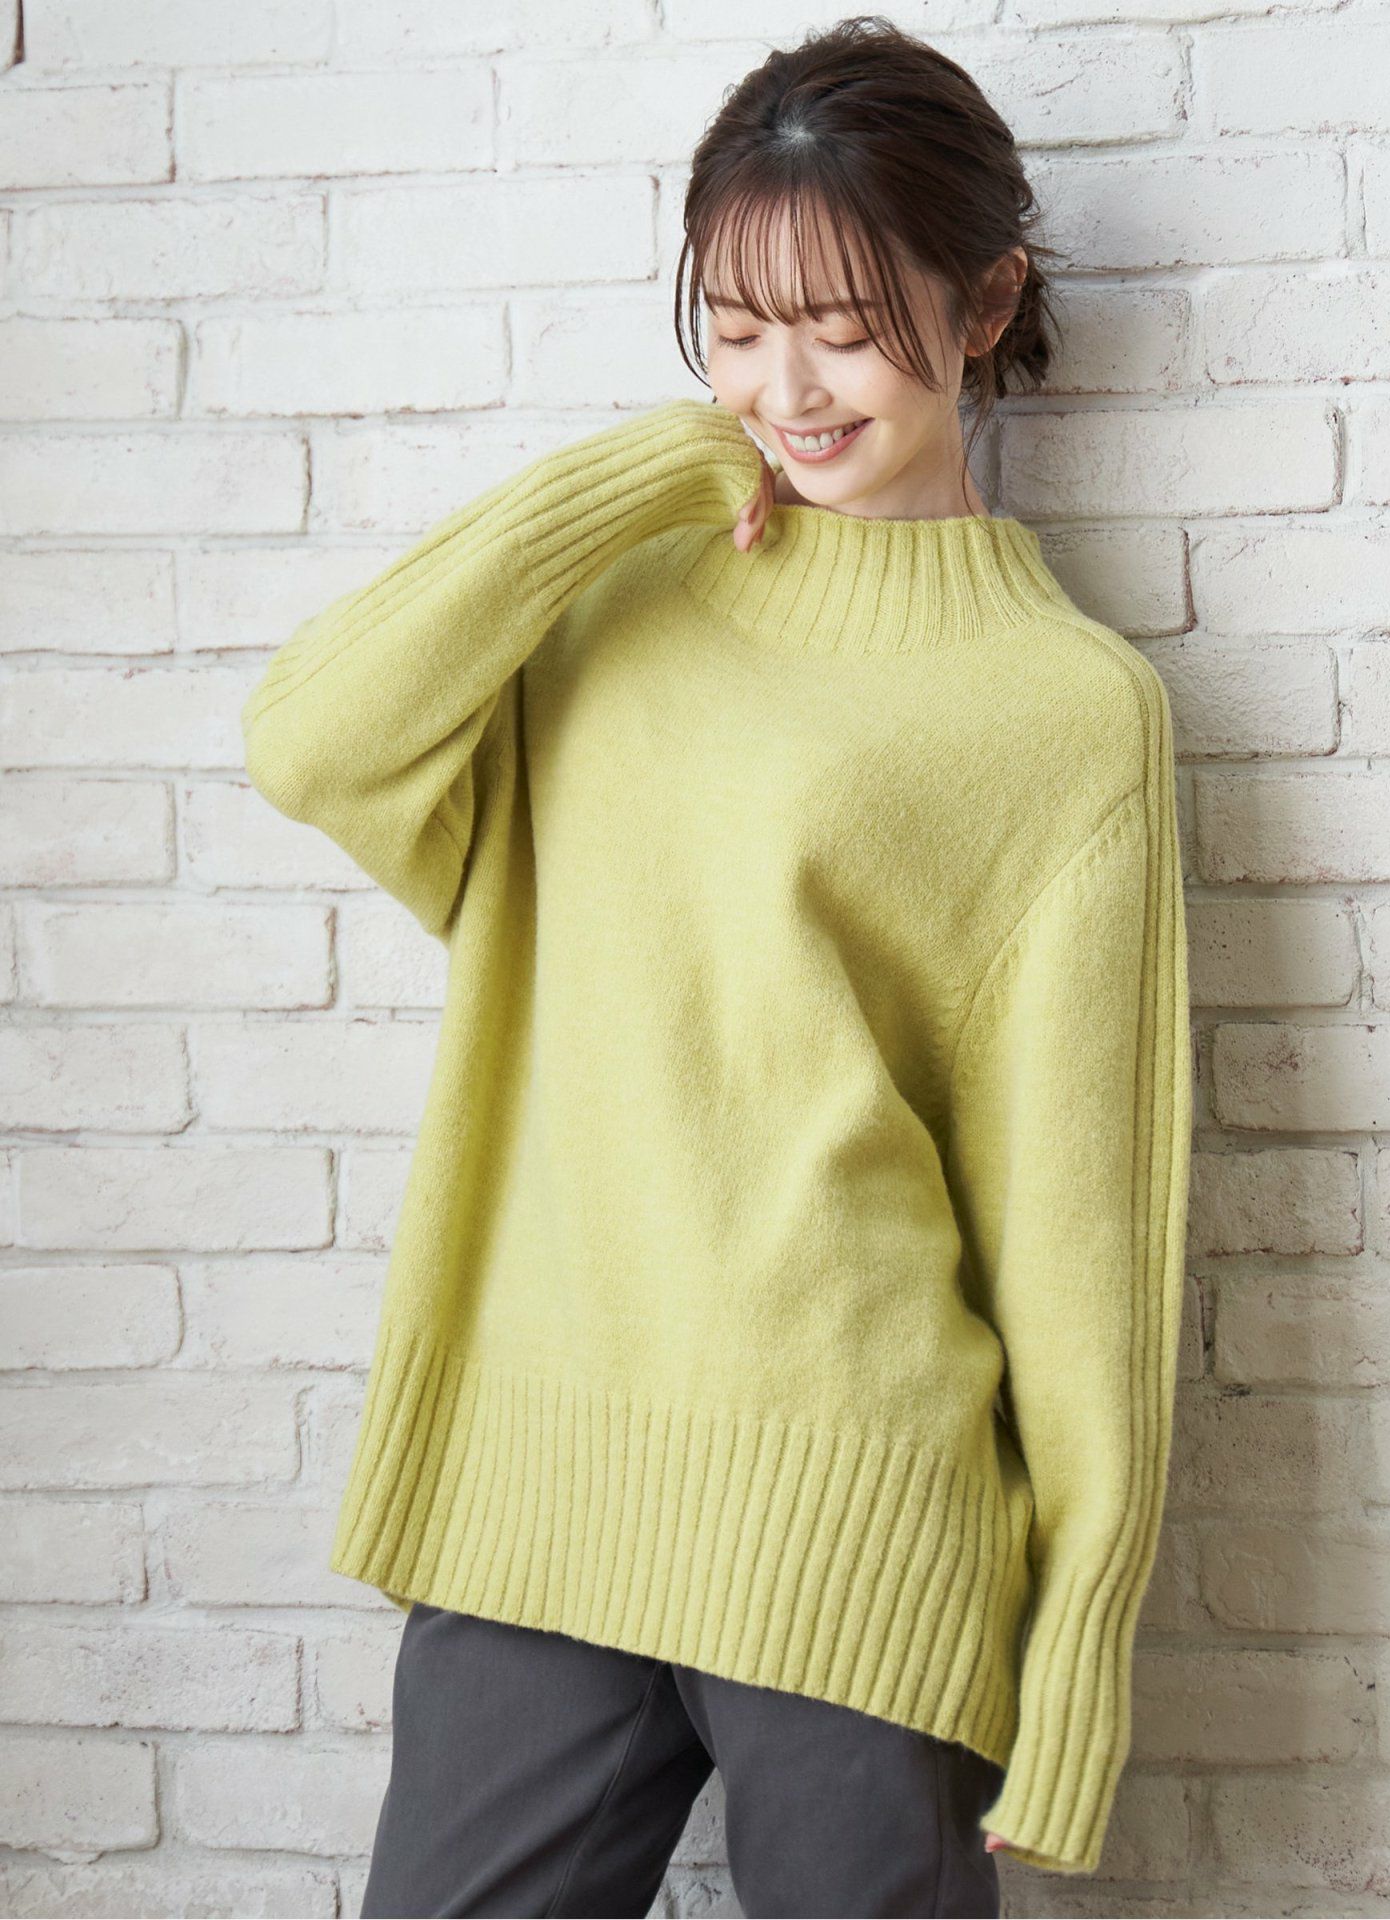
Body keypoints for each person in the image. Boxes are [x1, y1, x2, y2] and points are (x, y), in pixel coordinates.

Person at [240, 15, 1191, 1917]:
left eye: (842, 326)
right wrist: (640, 478)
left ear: (986, 300)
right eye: (739, 328)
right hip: (543, 1477)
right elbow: (314, 743)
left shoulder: (1069, 713)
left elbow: (1086, 1226)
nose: (786, 386)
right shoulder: (617, 603)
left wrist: (1079, 1642)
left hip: (856, 1516)